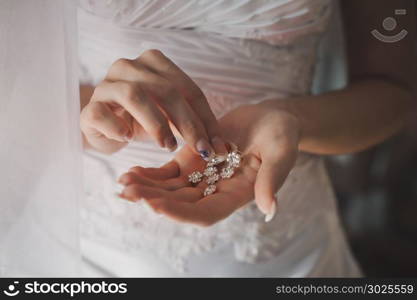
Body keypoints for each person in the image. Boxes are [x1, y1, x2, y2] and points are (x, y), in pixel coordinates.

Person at [78, 0, 416, 277]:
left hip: (287, 252)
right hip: (95, 246)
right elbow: (29, 97)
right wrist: (94, 126)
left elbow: (394, 92)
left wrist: (294, 121)